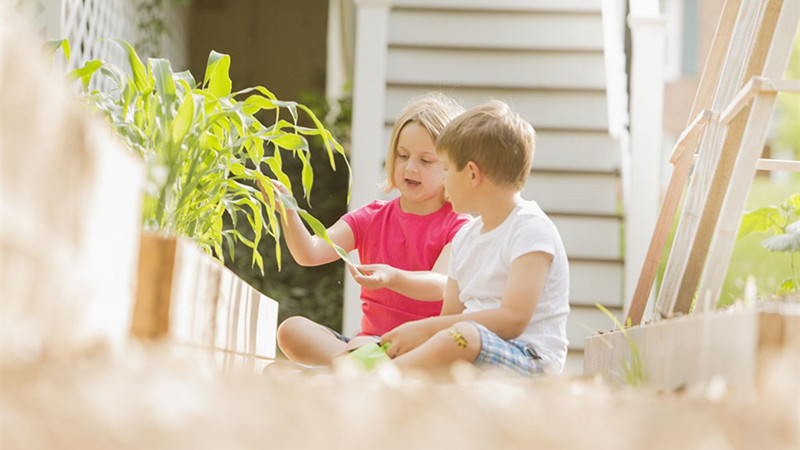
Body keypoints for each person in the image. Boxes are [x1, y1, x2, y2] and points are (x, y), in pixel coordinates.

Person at [264, 92, 472, 366]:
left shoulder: (458, 226)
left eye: (425, 160)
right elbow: (310, 253)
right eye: (402, 155)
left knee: (369, 347)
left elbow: (440, 285)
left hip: (421, 349)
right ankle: (362, 367)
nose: (410, 167)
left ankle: (351, 369)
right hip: (368, 344)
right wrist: (288, 211)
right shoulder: (372, 217)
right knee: (290, 330)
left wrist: (392, 277)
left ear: (449, 167)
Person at [380, 100, 570, 377]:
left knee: (462, 337)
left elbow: (513, 320)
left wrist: (425, 328)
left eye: (445, 169)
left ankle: (380, 377)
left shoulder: (530, 229)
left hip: (529, 359)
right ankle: (383, 367)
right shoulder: (464, 238)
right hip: (470, 348)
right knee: (452, 338)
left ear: (471, 173)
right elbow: (448, 319)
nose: (442, 181)